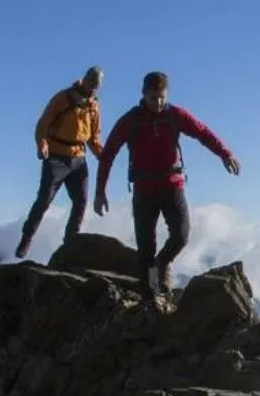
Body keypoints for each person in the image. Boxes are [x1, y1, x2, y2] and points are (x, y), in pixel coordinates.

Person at [94, 70, 240, 304]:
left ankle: (163, 264)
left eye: (162, 97)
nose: (158, 103)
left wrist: (225, 153)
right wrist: (100, 192)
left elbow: (202, 132)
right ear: (143, 94)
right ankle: (152, 296)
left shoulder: (175, 115)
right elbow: (108, 153)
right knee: (145, 248)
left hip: (172, 186)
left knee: (181, 236)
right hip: (144, 190)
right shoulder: (131, 120)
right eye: (153, 97)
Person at [16, 66, 105, 259]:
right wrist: (42, 144)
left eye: (97, 86)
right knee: (44, 199)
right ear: (84, 79)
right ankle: (27, 237)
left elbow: (94, 138)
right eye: (91, 83)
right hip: (56, 156)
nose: (93, 89)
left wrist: (103, 156)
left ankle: (69, 244)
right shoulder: (64, 97)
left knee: (80, 201)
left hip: (79, 159)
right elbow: (43, 124)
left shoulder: (94, 106)